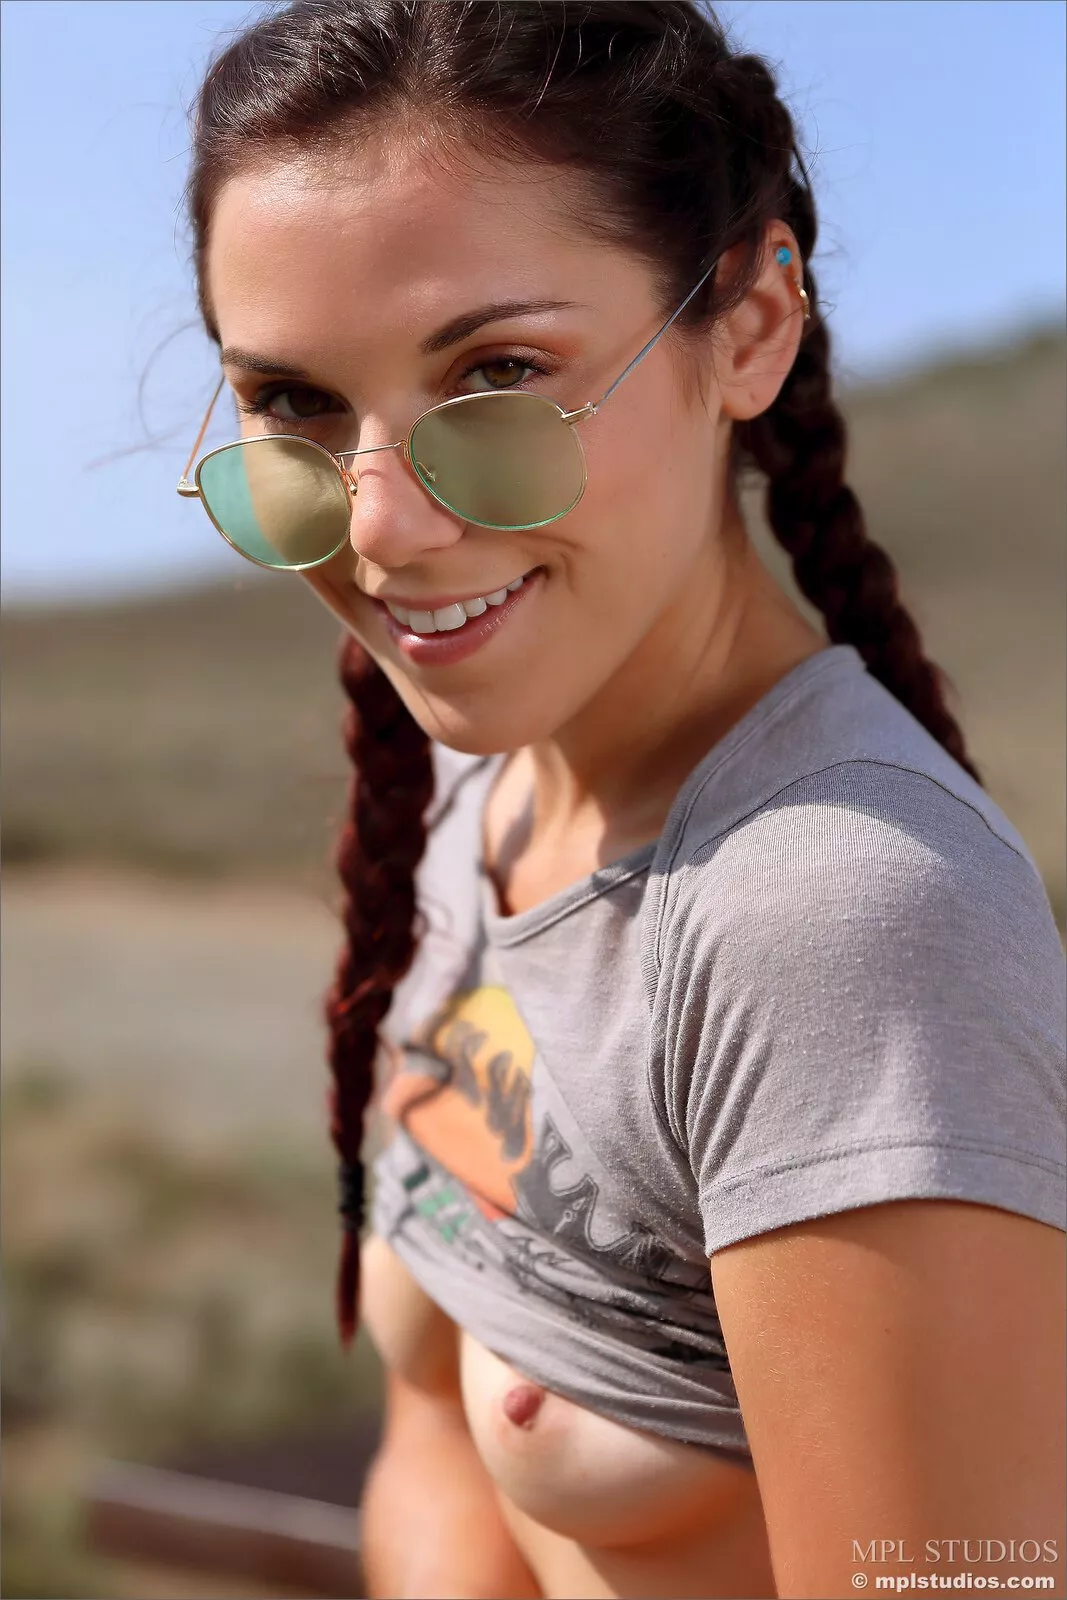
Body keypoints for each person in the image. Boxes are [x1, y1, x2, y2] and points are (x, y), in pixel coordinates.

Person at [178, 3, 1067, 1594]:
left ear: (751, 327)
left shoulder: (828, 921)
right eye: (296, 406)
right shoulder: (482, 786)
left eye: (499, 375)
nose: (380, 528)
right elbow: (432, 1448)